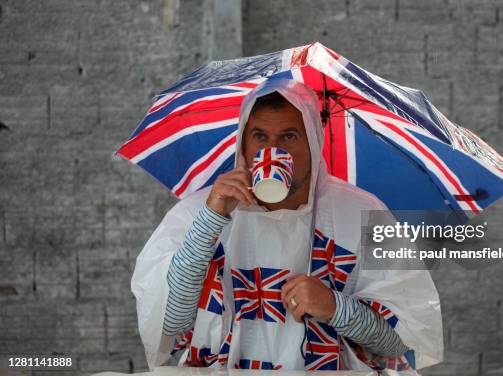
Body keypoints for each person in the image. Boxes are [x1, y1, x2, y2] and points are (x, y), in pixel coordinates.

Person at [131, 78, 443, 373]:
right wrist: (210, 221)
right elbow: (169, 325)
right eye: (260, 137)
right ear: (243, 141)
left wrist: (336, 308)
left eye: (289, 137)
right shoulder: (200, 209)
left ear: (314, 141)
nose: (273, 150)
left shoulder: (364, 212)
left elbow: (398, 343)